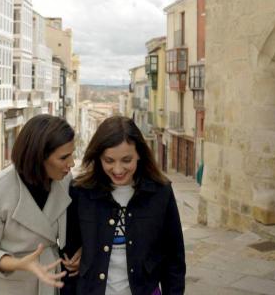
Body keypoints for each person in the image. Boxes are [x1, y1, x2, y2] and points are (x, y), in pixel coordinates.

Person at [62, 116, 185, 295]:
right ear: (98, 158)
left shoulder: (161, 193)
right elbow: (68, 259)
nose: (118, 170)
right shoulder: (80, 193)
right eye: (109, 161)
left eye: (126, 160)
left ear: (139, 154)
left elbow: (174, 260)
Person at [0, 114, 76, 295]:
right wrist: (19, 263)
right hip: (7, 287)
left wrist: (80, 252)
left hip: (50, 284)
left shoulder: (65, 181)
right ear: (39, 157)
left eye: (72, 155)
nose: (72, 163)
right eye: (63, 158)